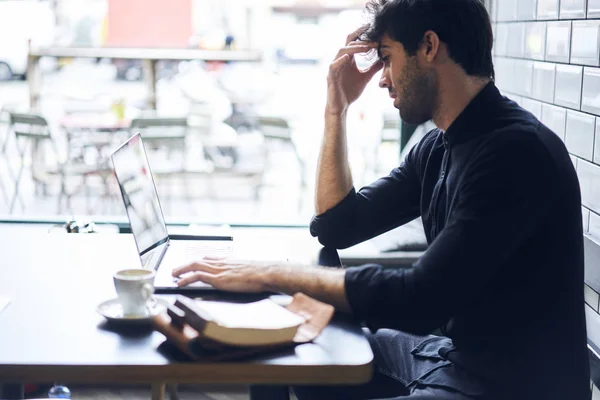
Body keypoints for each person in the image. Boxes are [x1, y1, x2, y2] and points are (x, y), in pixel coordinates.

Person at [172, 0, 590, 398]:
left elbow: (422, 298)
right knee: (306, 348)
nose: (383, 78)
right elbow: (337, 224)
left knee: (310, 332)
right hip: (456, 363)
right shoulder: (440, 146)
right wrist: (336, 110)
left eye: (387, 58)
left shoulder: (514, 153)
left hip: (506, 388)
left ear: (428, 46)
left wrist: (272, 274)